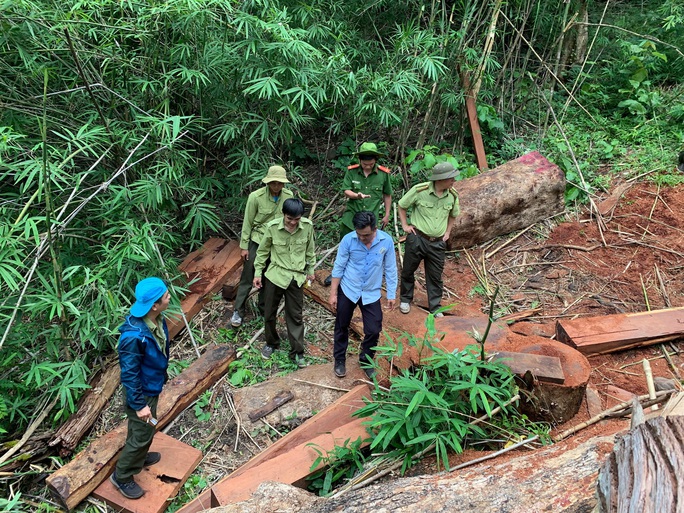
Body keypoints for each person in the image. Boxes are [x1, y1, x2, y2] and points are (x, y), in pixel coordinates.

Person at [111, 277, 171, 500]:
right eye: (165, 295)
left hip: (151, 385)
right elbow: (129, 374)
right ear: (154, 304)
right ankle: (123, 475)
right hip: (141, 392)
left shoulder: (155, 319)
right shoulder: (134, 337)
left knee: (143, 429)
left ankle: (139, 455)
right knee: (143, 433)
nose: (169, 297)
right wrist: (139, 405)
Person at [329, 211, 397, 379]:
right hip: (348, 288)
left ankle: (366, 360)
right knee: (341, 325)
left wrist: (391, 293)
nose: (361, 238)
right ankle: (339, 360)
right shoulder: (348, 240)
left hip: (371, 292)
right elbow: (339, 267)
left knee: (373, 330)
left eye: (365, 235)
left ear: (374, 229)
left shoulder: (386, 241)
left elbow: (390, 268)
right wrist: (333, 294)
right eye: (359, 234)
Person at [253, 198, 315, 368]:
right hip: (275, 276)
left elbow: (310, 250)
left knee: (295, 316)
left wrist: (310, 271)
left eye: (297, 219)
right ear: (283, 215)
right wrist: (258, 273)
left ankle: (297, 352)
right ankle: (271, 343)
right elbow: (262, 252)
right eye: (290, 219)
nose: (293, 223)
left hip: (296, 278)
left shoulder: (307, 226)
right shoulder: (272, 227)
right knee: (268, 312)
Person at [231, 165, 294, 327]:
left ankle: (264, 308)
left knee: (269, 276)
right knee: (248, 275)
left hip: (277, 243)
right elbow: (248, 222)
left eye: (279, 183)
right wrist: (244, 246)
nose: (276, 186)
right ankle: (238, 310)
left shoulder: (288, 196)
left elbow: (291, 221)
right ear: (268, 182)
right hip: (257, 240)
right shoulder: (255, 197)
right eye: (273, 183)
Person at [324, 142, 392, 286]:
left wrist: (386, 214)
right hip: (351, 217)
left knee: (368, 247)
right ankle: (338, 273)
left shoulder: (383, 174)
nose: (367, 166)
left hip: (370, 220)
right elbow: (346, 190)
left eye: (371, 164)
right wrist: (356, 195)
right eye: (365, 164)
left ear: (375, 161)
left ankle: (363, 275)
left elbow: (387, 194)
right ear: (360, 160)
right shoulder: (352, 171)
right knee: (345, 246)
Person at [398, 162, 460, 316]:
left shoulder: (452, 195)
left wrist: (447, 232)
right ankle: (405, 299)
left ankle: (435, 307)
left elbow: (453, 215)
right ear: (440, 179)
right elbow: (402, 205)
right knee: (408, 270)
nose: (454, 181)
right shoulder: (420, 190)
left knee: (435, 276)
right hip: (417, 238)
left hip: (438, 243)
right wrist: (405, 225)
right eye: (450, 178)